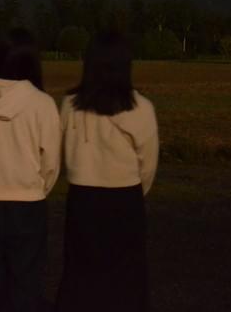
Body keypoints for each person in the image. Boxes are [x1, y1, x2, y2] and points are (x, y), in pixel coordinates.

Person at [57, 31, 159, 312]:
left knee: (80, 273)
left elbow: (63, 153)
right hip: (125, 199)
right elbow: (148, 165)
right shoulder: (142, 109)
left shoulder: (70, 105)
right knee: (127, 278)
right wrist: (136, 191)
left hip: (82, 198)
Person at [0, 28, 61, 312]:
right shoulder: (42, 104)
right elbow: (51, 162)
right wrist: (36, 189)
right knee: (26, 286)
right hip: (28, 205)